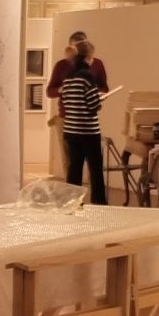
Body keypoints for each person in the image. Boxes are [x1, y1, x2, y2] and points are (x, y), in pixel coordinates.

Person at [52, 36, 110, 204]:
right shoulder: (87, 76)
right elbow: (93, 106)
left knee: (74, 169)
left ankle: (72, 202)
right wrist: (99, 99)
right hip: (88, 131)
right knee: (95, 169)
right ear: (87, 57)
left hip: (71, 130)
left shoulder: (68, 77)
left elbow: (67, 101)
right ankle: (99, 203)